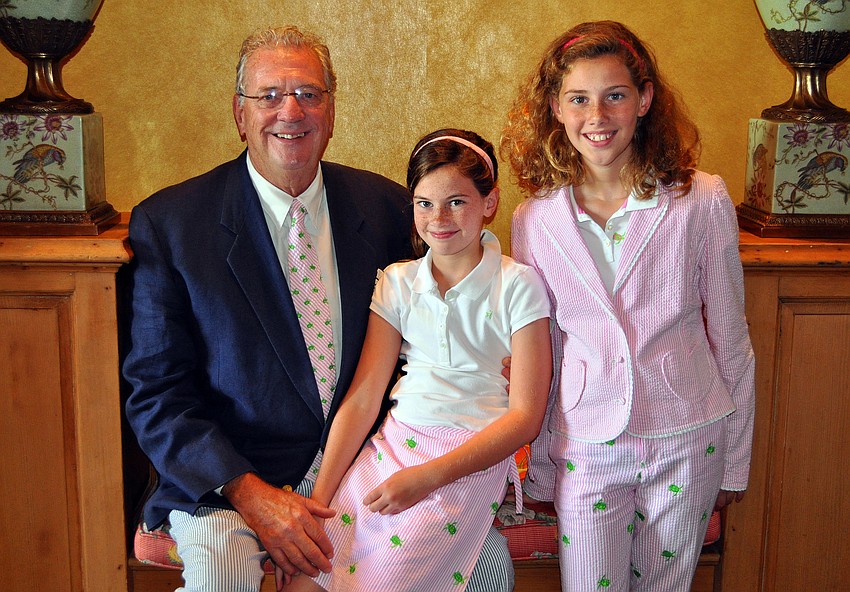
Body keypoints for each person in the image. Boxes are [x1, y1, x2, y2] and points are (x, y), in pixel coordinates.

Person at [123, 26, 514, 592]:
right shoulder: (174, 223)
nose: (291, 110)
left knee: (484, 568)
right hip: (234, 486)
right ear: (240, 112)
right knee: (225, 581)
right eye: (270, 95)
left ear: (331, 109)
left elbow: (440, 324)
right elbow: (157, 395)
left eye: (309, 94)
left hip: (367, 471)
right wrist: (250, 494)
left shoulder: (389, 208)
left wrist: (499, 358)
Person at [501, 20, 756, 592]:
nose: (598, 116)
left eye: (614, 95)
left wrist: (734, 460)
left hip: (687, 438)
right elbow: (547, 352)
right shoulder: (534, 219)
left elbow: (731, 338)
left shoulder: (701, 198)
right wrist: (541, 458)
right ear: (556, 109)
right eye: (579, 99)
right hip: (587, 445)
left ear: (643, 100)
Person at [279, 129, 553, 592]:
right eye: (424, 203)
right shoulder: (398, 282)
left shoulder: (518, 284)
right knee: (310, 573)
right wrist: (318, 507)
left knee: (384, 575)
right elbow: (365, 397)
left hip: (465, 458)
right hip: (392, 447)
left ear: (490, 202)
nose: (439, 218)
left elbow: (525, 418)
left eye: (457, 202)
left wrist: (424, 478)